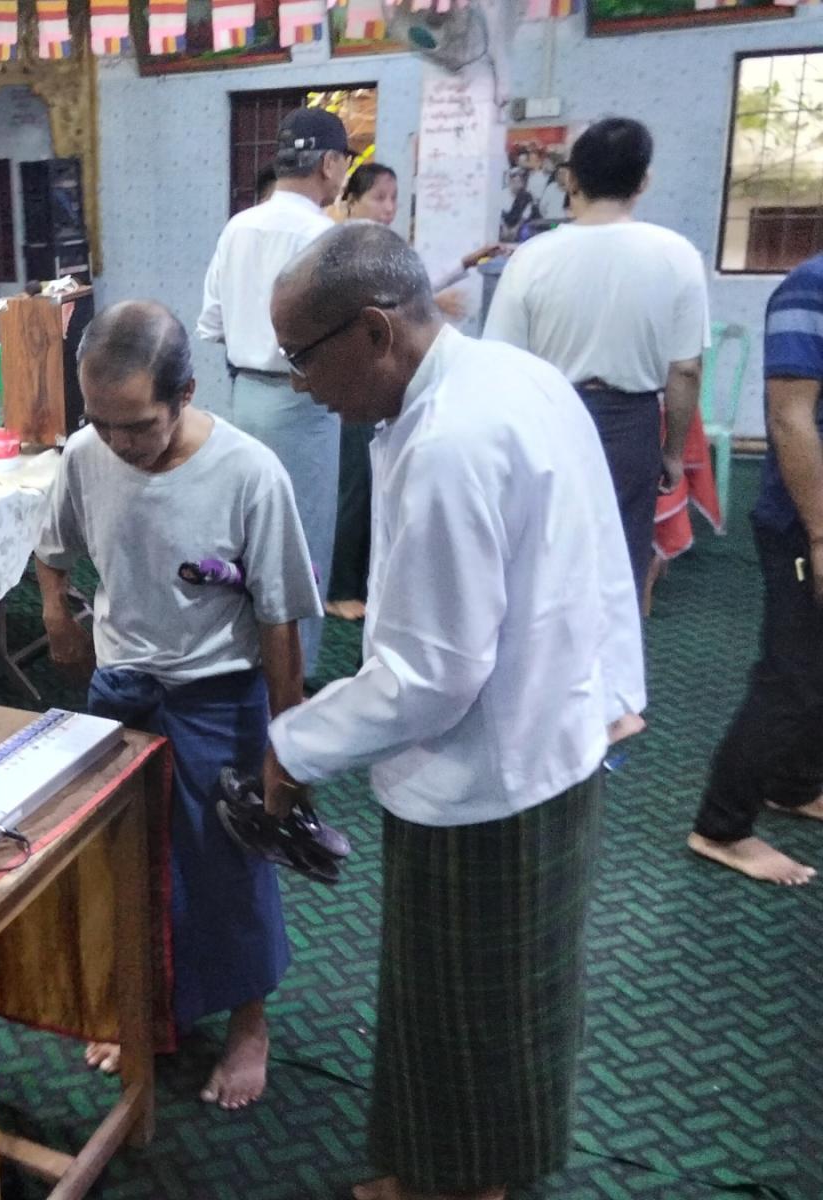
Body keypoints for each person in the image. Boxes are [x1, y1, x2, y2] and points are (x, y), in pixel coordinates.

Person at [262, 224, 643, 1200]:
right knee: (472, 997)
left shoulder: (449, 442)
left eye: (302, 357)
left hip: (488, 775)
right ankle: (443, 1172)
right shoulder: (515, 377)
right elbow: (605, 548)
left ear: (374, 332)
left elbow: (430, 677)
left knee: (475, 1008)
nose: (299, 383)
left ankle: (465, 1185)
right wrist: (618, 693)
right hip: (550, 732)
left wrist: (293, 746)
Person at [36, 301, 322, 1109]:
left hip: (218, 696)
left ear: (187, 393)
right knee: (125, 862)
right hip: (123, 689)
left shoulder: (249, 473)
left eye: (138, 425)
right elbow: (53, 548)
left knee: (227, 866)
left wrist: (287, 743)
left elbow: (279, 619)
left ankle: (248, 1024)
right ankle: (141, 1005)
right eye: (101, 421)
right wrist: (57, 614)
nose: (118, 443)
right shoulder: (86, 454)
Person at [483, 117, 709, 602]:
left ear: (570, 179)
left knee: (545, 558)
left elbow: (500, 367)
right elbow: (686, 370)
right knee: (620, 564)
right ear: (643, 181)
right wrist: (671, 453)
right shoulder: (678, 256)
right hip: (633, 426)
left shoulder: (531, 258)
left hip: (549, 421)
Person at [197, 105, 348, 677]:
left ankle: (245, 660)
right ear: (329, 163)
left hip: (244, 401)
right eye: (345, 163)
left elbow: (212, 324)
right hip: (305, 400)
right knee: (302, 544)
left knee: (250, 536)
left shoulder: (239, 227)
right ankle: (292, 674)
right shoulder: (323, 236)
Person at [688, 255, 823, 886]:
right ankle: (721, 827)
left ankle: (795, 786)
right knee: (792, 677)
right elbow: (789, 418)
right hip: (804, 519)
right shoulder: (811, 286)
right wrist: (820, 534)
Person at [328, 163, 503, 621]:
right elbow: (372, 305)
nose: (388, 208)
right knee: (356, 485)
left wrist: (464, 264)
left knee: (375, 482)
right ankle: (340, 588)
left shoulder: (377, 247)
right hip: (356, 381)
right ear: (351, 200)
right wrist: (427, 304)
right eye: (378, 198)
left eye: (393, 198)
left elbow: (412, 284)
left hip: (383, 383)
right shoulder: (341, 247)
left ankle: (364, 581)